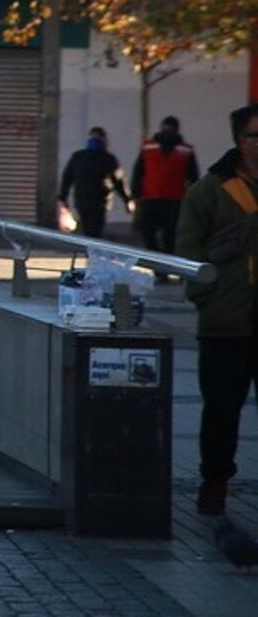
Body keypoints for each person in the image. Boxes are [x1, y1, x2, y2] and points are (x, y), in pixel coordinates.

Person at [178, 103, 258, 516]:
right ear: (240, 140)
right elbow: (187, 253)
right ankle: (215, 483)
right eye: (256, 136)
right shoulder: (210, 190)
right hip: (226, 324)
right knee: (222, 412)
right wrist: (208, 299)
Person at [133, 116, 201, 282]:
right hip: (153, 198)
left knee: (169, 237)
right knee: (149, 234)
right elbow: (138, 171)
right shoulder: (149, 147)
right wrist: (136, 195)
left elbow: (193, 176)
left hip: (173, 200)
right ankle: (159, 268)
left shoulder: (185, 150)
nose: (167, 132)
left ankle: (165, 269)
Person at [58, 126, 131, 239]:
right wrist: (126, 199)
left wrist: (63, 198)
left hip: (82, 200)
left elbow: (67, 178)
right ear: (104, 140)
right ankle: (92, 248)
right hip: (99, 202)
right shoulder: (108, 158)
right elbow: (118, 181)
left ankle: (89, 247)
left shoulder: (78, 157)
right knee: (95, 232)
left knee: (87, 230)